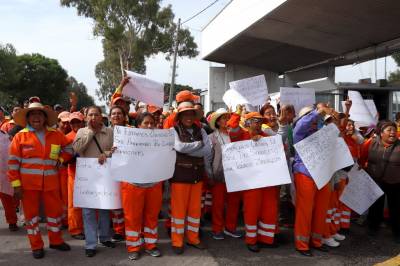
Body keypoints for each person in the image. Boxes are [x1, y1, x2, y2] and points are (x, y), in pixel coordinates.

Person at [8, 102, 73, 259]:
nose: (36, 117)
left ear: (45, 118)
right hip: (28, 186)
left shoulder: (56, 134)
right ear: (28, 118)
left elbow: (69, 148)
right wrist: (16, 186)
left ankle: (56, 241)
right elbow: (13, 163)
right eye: (32, 114)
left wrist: (61, 159)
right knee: (31, 217)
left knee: (55, 214)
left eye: (39, 114)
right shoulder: (20, 136)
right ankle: (36, 245)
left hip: (51, 183)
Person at [227, 106, 280, 252]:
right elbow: (231, 128)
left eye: (259, 121)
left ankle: (266, 238)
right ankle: (251, 240)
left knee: (270, 209)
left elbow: (279, 150)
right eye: (254, 121)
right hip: (250, 182)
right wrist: (237, 113)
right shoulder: (240, 135)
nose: (257, 124)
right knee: (251, 210)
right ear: (248, 122)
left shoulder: (267, 136)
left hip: (268, 181)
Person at [292, 104, 337, 257]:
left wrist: (332, 118)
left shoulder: (322, 131)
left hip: (323, 174)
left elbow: (339, 133)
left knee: (321, 209)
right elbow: (302, 125)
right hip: (305, 174)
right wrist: (317, 112)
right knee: (305, 210)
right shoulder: (299, 131)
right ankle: (302, 244)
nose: (314, 119)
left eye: (315, 116)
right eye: (309, 116)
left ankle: (316, 241)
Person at [170, 101, 212, 255]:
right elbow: (179, 147)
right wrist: (198, 145)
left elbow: (207, 151)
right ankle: (177, 241)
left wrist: (190, 149)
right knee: (178, 212)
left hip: (197, 176)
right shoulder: (173, 130)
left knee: (195, 211)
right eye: (185, 114)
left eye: (191, 114)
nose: (188, 116)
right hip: (180, 176)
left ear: (195, 116)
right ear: (179, 116)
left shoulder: (201, 131)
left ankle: (193, 238)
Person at [72, 106, 115, 257]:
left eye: (96, 115)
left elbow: (116, 149)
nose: (93, 117)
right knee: (88, 211)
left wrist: (106, 154)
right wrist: (90, 132)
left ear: (101, 117)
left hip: (104, 176)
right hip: (87, 177)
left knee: (104, 208)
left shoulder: (109, 132)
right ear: (85, 117)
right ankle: (90, 244)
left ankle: (104, 237)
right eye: (90, 115)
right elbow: (77, 148)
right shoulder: (81, 132)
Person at [120, 112, 163, 260]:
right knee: (132, 217)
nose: (150, 126)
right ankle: (133, 247)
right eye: (146, 123)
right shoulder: (127, 138)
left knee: (152, 216)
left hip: (154, 184)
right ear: (139, 125)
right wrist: (113, 151)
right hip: (132, 184)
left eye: (152, 123)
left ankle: (151, 244)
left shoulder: (161, 140)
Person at [360, 121, 400, 244]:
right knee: (375, 205)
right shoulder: (370, 143)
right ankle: (373, 228)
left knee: (396, 208)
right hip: (375, 180)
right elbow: (362, 157)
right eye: (389, 130)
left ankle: (397, 232)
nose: (393, 132)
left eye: (394, 130)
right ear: (381, 133)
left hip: (395, 182)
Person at [208, 108, 242, 240]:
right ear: (217, 122)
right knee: (218, 203)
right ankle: (217, 229)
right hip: (219, 175)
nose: (226, 120)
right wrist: (210, 174)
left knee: (234, 202)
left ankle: (230, 227)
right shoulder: (212, 137)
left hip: (235, 174)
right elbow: (209, 157)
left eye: (228, 118)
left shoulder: (235, 135)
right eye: (223, 118)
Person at [108, 106, 127, 242]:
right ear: (110, 117)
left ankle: (132, 228)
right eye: (113, 114)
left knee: (128, 203)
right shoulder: (105, 132)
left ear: (124, 116)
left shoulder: (133, 131)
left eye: (119, 113)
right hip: (110, 171)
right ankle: (119, 230)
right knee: (115, 203)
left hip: (128, 171)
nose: (116, 116)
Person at [66, 112, 85, 240]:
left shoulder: (90, 134)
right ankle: (75, 229)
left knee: (92, 202)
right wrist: (70, 158)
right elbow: (63, 157)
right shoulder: (67, 138)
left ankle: (92, 226)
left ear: (83, 122)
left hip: (91, 174)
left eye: (78, 122)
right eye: (73, 122)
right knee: (74, 204)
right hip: (74, 174)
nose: (75, 124)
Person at [57, 111, 71, 228]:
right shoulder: (51, 134)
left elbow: (69, 151)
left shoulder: (68, 136)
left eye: (68, 123)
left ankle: (65, 220)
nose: (66, 125)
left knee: (65, 196)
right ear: (58, 122)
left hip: (64, 170)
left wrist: (61, 159)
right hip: (52, 171)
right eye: (63, 123)